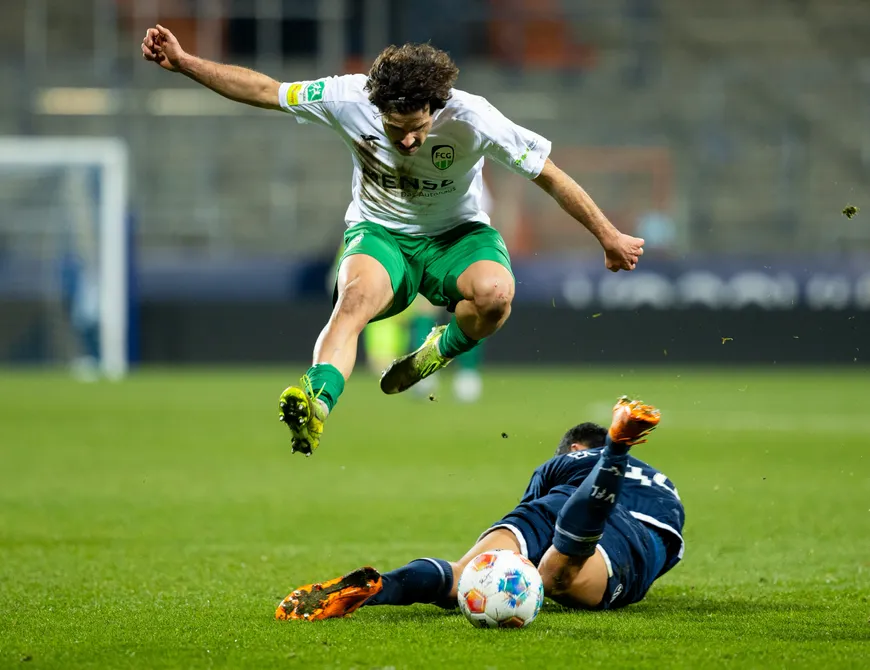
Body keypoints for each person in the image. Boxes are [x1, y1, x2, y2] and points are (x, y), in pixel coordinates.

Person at [141, 29, 646, 455]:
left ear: (438, 107)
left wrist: (609, 236)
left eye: (417, 128)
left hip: (457, 235)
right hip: (380, 232)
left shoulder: (474, 118)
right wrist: (185, 63)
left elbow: (551, 176)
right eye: (395, 129)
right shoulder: (346, 97)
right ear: (374, 105)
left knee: (496, 297)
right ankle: (316, 403)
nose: (406, 141)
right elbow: (264, 90)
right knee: (353, 300)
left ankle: (440, 349)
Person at [276, 397, 685, 620]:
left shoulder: (562, 463)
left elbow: (533, 512)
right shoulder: (668, 490)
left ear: (576, 449)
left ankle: (381, 586)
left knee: (466, 573)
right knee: (557, 576)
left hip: (561, 498)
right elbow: (666, 553)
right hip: (640, 531)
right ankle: (616, 455)